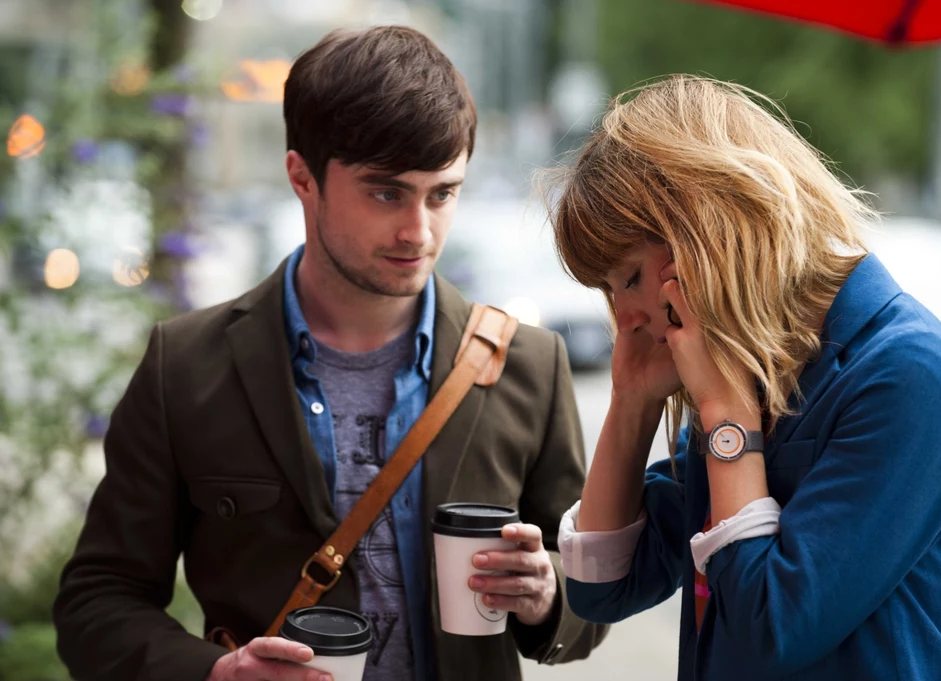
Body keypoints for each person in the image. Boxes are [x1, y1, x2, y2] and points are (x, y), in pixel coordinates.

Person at [53, 26, 607, 681]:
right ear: (301, 177)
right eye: (385, 191)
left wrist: (548, 595)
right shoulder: (187, 365)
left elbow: (590, 600)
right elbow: (96, 601)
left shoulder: (528, 364)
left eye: (443, 192)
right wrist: (215, 673)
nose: (419, 230)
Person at [550, 75, 941, 680]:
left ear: (709, 230)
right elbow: (602, 589)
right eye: (607, 291)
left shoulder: (909, 372)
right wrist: (632, 398)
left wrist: (729, 424)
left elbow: (771, 629)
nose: (623, 319)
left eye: (629, 277)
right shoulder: (749, 366)